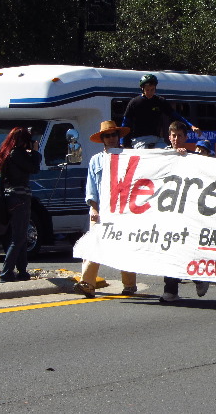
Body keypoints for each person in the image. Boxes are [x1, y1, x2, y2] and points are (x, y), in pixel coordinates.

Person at [73, 121, 138, 298]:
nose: (111, 138)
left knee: (124, 246)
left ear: (118, 137)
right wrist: (94, 209)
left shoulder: (129, 157)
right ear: (102, 139)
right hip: (101, 211)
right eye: (107, 136)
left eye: (113, 135)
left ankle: (129, 284)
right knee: (93, 246)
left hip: (124, 211)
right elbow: (91, 188)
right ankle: (87, 284)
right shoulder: (96, 160)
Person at [160, 121, 210, 302]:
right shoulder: (161, 155)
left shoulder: (192, 157)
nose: (176, 139)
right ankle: (171, 290)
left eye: (179, 136)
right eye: (173, 136)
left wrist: (184, 157)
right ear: (169, 137)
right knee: (168, 249)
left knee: (186, 248)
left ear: (186, 137)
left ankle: (198, 278)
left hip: (187, 212)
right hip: (167, 211)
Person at [0, 127, 42, 282]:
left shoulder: (7, 153)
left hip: (10, 197)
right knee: (18, 238)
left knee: (20, 235)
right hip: (20, 197)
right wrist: (35, 152)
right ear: (23, 140)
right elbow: (34, 168)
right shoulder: (17, 154)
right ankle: (6, 272)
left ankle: (22, 271)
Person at [121, 74, 200, 149]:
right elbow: (126, 123)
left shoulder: (160, 101)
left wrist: (191, 126)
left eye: (152, 90)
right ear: (142, 89)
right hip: (139, 140)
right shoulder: (134, 103)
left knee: (168, 153)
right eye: (147, 90)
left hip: (157, 140)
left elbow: (175, 115)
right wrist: (122, 142)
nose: (150, 92)